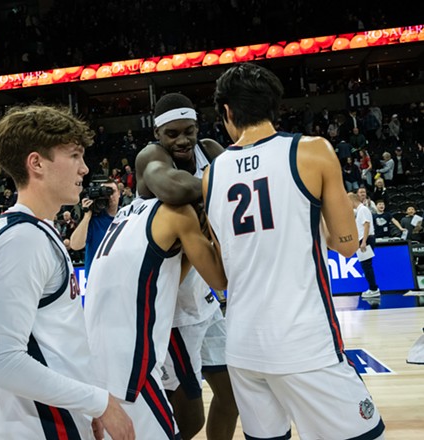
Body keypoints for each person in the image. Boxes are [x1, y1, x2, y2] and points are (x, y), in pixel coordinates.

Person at [204, 63, 385, 439]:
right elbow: (346, 245)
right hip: (302, 342)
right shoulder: (312, 150)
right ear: (275, 107)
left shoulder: (213, 173)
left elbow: (221, 268)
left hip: (241, 346)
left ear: (228, 112)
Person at [0, 105, 134, 440]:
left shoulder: (38, 230)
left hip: (61, 417)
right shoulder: (22, 241)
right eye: (74, 155)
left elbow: (60, 341)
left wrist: (86, 403)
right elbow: (3, 360)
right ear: (36, 163)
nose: (84, 168)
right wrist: (100, 402)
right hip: (40, 426)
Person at [133, 92, 238, 440]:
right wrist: (223, 191)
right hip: (170, 309)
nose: (183, 140)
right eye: (172, 133)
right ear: (158, 134)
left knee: (232, 397)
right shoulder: (151, 156)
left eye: (188, 131)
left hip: (204, 300)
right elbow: (173, 189)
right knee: (189, 421)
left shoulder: (209, 149)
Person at [70, 180, 120, 280]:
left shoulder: (127, 217)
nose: (109, 196)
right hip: (96, 282)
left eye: (112, 191)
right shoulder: (93, 220)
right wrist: (87, 216)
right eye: (105, 192)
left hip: (120, 279)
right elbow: (75, 245)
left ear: (119, 193)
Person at [349, 192, 381, 299]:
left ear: (351, 200)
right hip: (364, 239)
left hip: (365, 240)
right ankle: (373, 288)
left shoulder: (362, 210)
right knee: (366, 266)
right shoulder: (359, 210)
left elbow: (366, 225)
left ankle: (374, 289)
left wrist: (363, 242)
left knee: (366, 266)